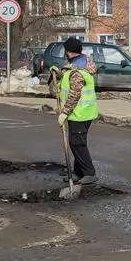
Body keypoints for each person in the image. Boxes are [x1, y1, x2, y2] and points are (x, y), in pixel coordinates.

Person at [55, 37, 99, 186]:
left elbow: (75, 93)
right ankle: (79, 172)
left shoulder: (76, 71)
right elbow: (68, 79)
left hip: (80, 113)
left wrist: (65, 112)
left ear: (68, 51)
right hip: (85, 112)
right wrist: (58, 73)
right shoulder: (82, 63)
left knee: (77, 144)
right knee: (78, 142)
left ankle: (89, 173)